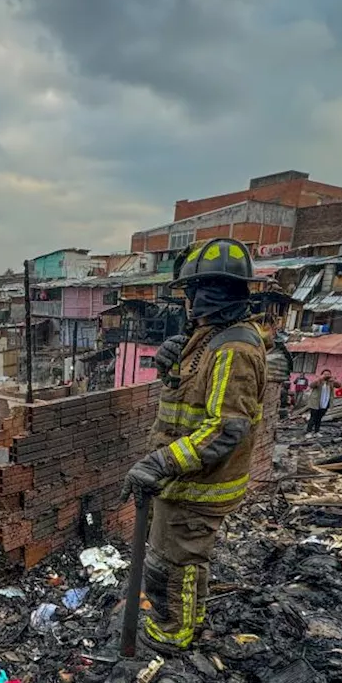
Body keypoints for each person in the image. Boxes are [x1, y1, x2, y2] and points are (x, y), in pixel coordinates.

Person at [121, 237, 270, 656]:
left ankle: (172, 636)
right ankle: (190, 621)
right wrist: (173, 362)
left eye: (194, 292)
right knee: (186, 563)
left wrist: (158, 463)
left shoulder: (233, 349)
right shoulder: (212, 337)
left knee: (171, 565)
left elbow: (224, 429)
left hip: (198, 486)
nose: (189, 301)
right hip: (185, 481)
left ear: (214, 292)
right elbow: (186, 399)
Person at [304, 370, 336, 436]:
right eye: (325, 374)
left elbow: (339, 385)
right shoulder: (318, 381)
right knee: (313, 418)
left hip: (325, 403)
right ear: (321, 375)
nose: (326, 375)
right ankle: (308, 432)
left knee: (319, 418)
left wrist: (334, 380)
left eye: (328, 374)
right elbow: (311, 385)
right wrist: (319, 379)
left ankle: (316, 431)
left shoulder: (330, 382)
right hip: (315, 403)